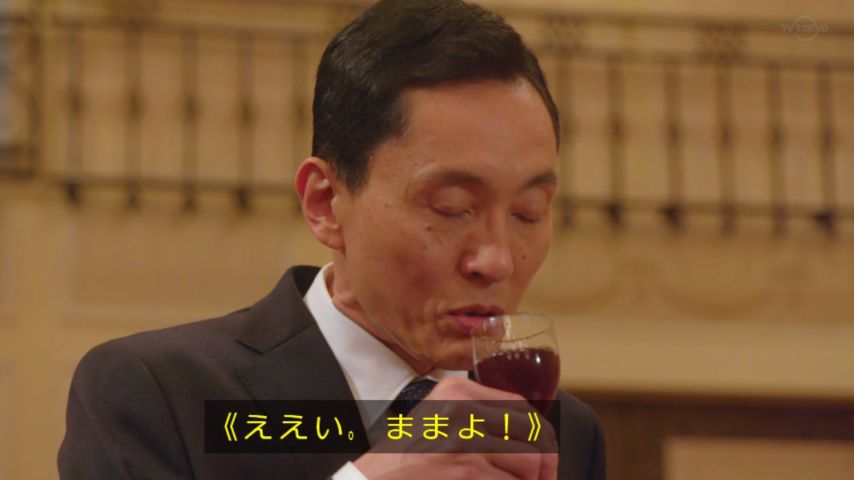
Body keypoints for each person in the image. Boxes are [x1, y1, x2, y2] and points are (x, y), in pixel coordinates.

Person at [57, 0, 606, 478]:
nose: (497, 259)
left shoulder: (562, 430)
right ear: (324, 203)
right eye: (452, 208)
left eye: (528, 213)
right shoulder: (163, 394)